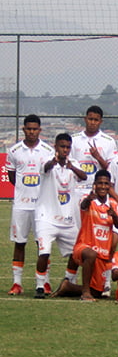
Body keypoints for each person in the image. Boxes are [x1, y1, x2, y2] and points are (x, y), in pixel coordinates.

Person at [51, 170, 118, 301]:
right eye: (100, 183)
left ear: (109, 186)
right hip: (84, 246)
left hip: (103, 252)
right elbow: (83, 206)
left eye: (106, 183)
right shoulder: (88, 199)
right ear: (94, 184)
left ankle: (68, 287)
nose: (103, 186)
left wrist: (114, 215)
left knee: (98, 292)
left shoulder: (113, 204)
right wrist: (88, 199)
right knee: (90, 254)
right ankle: (85, 294)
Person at [33, 133, 86, 298]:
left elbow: (83, 177)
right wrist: (54, 162)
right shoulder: (47, 161)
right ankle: (40, 286)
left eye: (68, 147)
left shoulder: (74, 163)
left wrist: (71, 167)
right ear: (56, 146)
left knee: (77, 253)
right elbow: (45, 168)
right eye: (62, 146)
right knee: (44, 252)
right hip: (46, 217)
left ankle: (68, 281)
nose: (65, 150)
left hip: (67, 219)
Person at [6, 115, 54, 295]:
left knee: (42, 244)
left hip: (42, 206)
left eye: (35, 129)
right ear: (23, 129)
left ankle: (44, 282)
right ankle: (17, 283)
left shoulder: (48, 150)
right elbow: (12, 176)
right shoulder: (14, 150)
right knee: (19, 243)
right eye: (29, 129)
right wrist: (22, 191)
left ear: (40, 130)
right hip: (21, 205)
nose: (32, 132)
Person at [70, 105, 117, 203]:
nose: (92, 122)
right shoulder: (74, 139)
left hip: (98, 190)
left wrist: (98, 157)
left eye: (96, 120)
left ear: (100, 122)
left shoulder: (108, 141)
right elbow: (68, 165)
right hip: (76, 188)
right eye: (90, 119)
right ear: (85, 119)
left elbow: (111, 169)